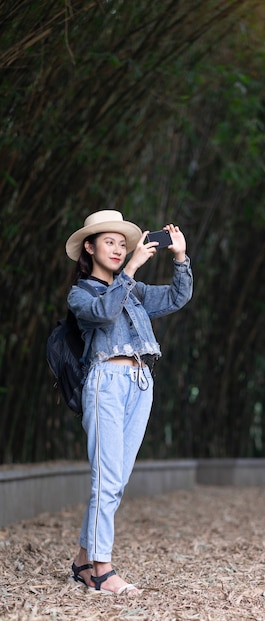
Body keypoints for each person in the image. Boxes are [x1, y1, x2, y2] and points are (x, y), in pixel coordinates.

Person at [65, 209, 193, 595]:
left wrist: (181, 258)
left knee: (115, 481)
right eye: (110, 242)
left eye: (124, 244)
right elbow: (104, 313)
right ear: (90, 247)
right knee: (106, 479)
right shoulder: (81, 293)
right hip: (106, 381)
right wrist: (131, 269)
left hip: (140, 381)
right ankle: (102, 570)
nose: (119, 249)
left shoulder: (133, 289)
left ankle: (82, 561)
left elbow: (176, 297)